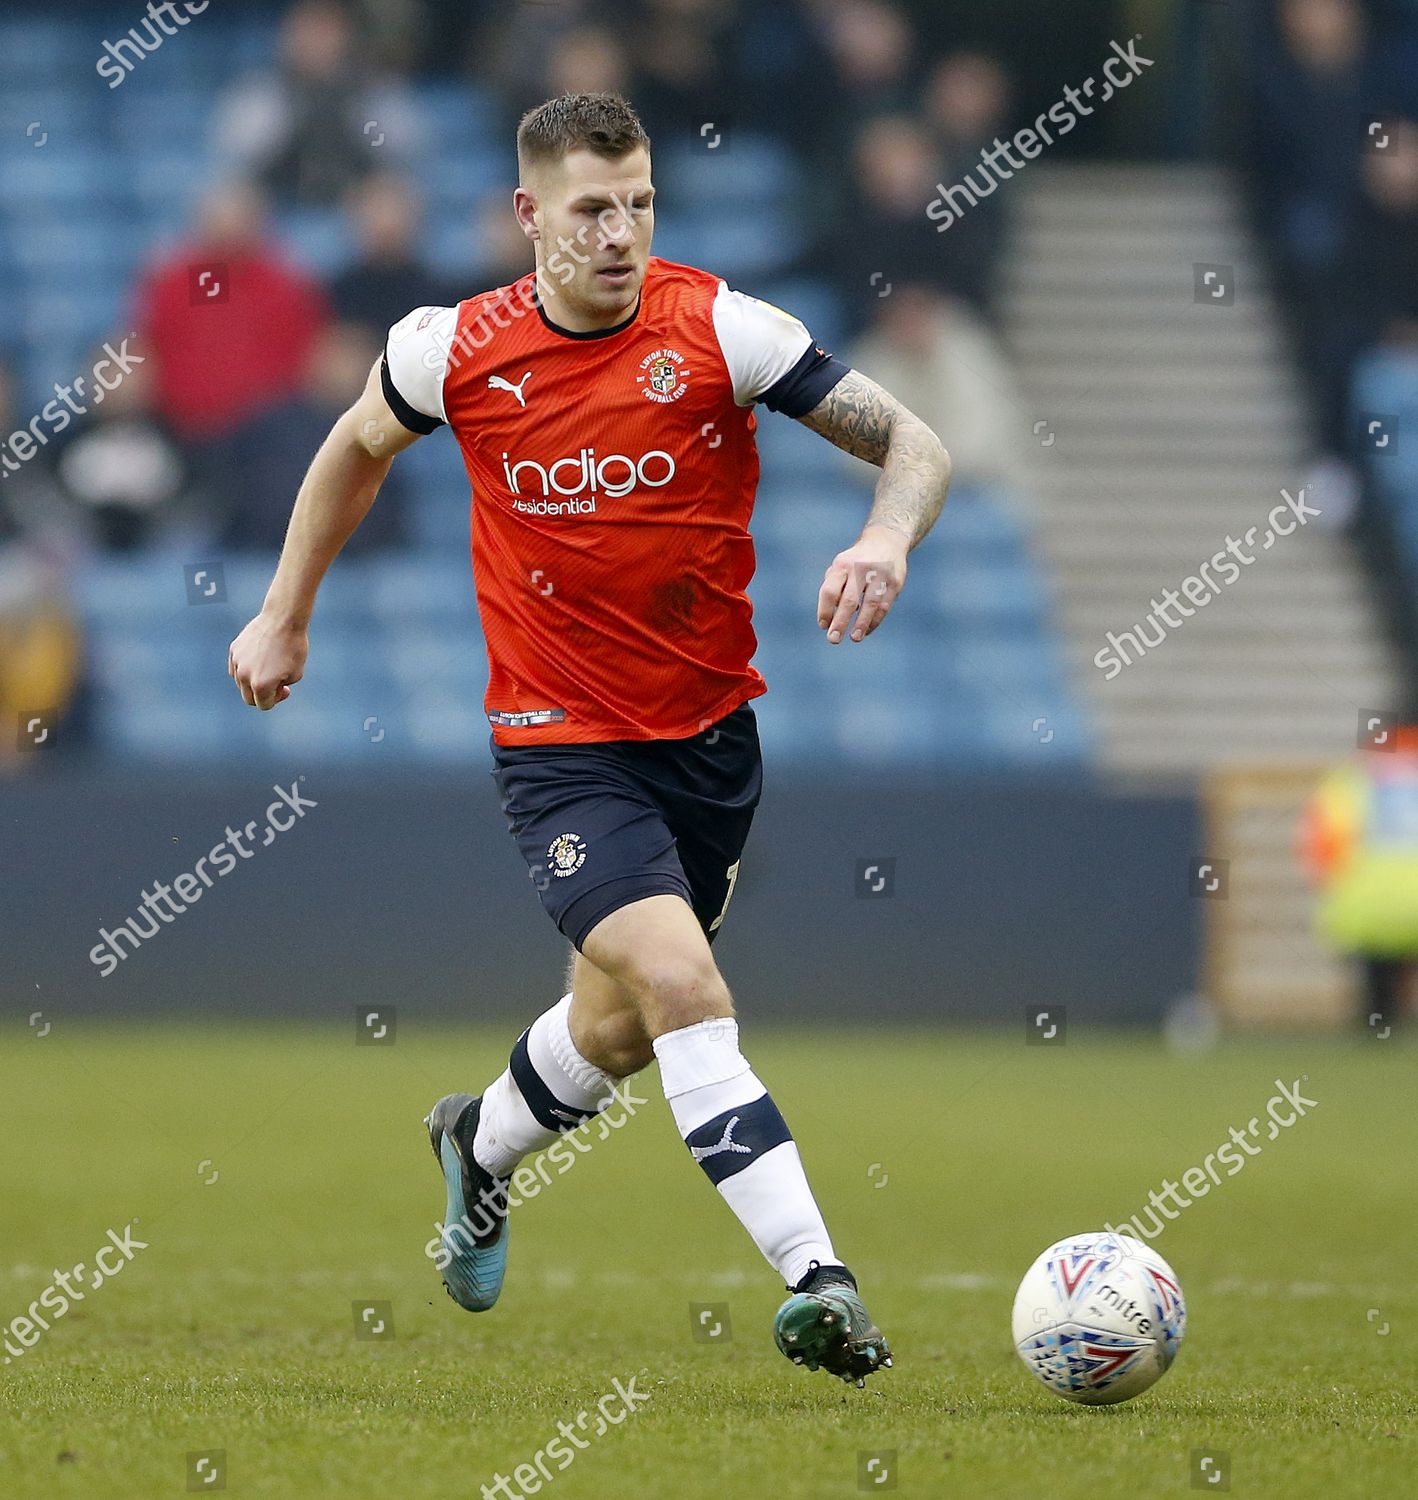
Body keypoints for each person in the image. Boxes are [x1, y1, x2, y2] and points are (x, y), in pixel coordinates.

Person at [227, 91, 951, 1387]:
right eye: (590, 209)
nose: (619, 233)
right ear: (529, 217)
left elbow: (912, 442)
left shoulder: (722, 331)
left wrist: (883, 536)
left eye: (639, 205)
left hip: (710, 745)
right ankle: (819, 1283)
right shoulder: (451, 351)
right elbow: (350, 449)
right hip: (559, 748)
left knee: (616, 1034)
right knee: (683, 991)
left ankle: (477, 1148)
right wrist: (284, 615)